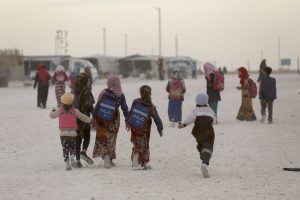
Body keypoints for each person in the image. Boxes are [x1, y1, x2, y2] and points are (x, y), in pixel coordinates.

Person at [92, 75, 129, 169]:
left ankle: (107, 158)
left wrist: (94, 117)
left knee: (104, 138)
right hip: (114, 119)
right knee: (111, 138)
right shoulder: (121, 95)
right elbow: (125, 109)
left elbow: (97, 106)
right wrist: (128, 119)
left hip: (102, 119)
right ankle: (109, 159)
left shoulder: (103, 92)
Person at [49, 92, 92, 170]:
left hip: (63, 134)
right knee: (73, 148)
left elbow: (52, 116)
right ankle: (72, 156)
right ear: (71, 102)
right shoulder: (75, 110)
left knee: (65, 149)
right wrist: (90, 120)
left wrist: (53, 110)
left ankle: (67, 164)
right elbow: (83, 117)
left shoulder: (60, 110)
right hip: (73, 134)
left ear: (62, 102)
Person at [178, 93, 216, 178]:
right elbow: (214, 120)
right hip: (208, 131)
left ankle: (203, 156)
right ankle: (205, 163)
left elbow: (190, 118)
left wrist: (184, 125)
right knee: (208, 146)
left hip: (198, 132)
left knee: (201, 145)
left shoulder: (195, 110)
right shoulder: (210, 110)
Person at [126, 85, 163, 170]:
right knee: (144, 145)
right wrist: (160, 129)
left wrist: (128, 123)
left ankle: (135, 157)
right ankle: (144, 163)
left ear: (140, 93)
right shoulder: (151, 106)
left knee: (137, 143)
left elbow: (130, 112)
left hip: (135, 127)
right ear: (150, 94)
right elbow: (157, 118)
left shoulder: (136, 101)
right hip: (145, 129)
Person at [73, 72, 95, 167]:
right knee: (87, 135)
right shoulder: (87, 92)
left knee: (77, 138)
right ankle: (83, 151)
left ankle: (77, 160)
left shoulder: (73, 91)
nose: (89, 82)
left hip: (74, 118)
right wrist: (94, 114)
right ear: (85, 81)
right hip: (84, 117)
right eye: (88, 80)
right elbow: (89, 105)